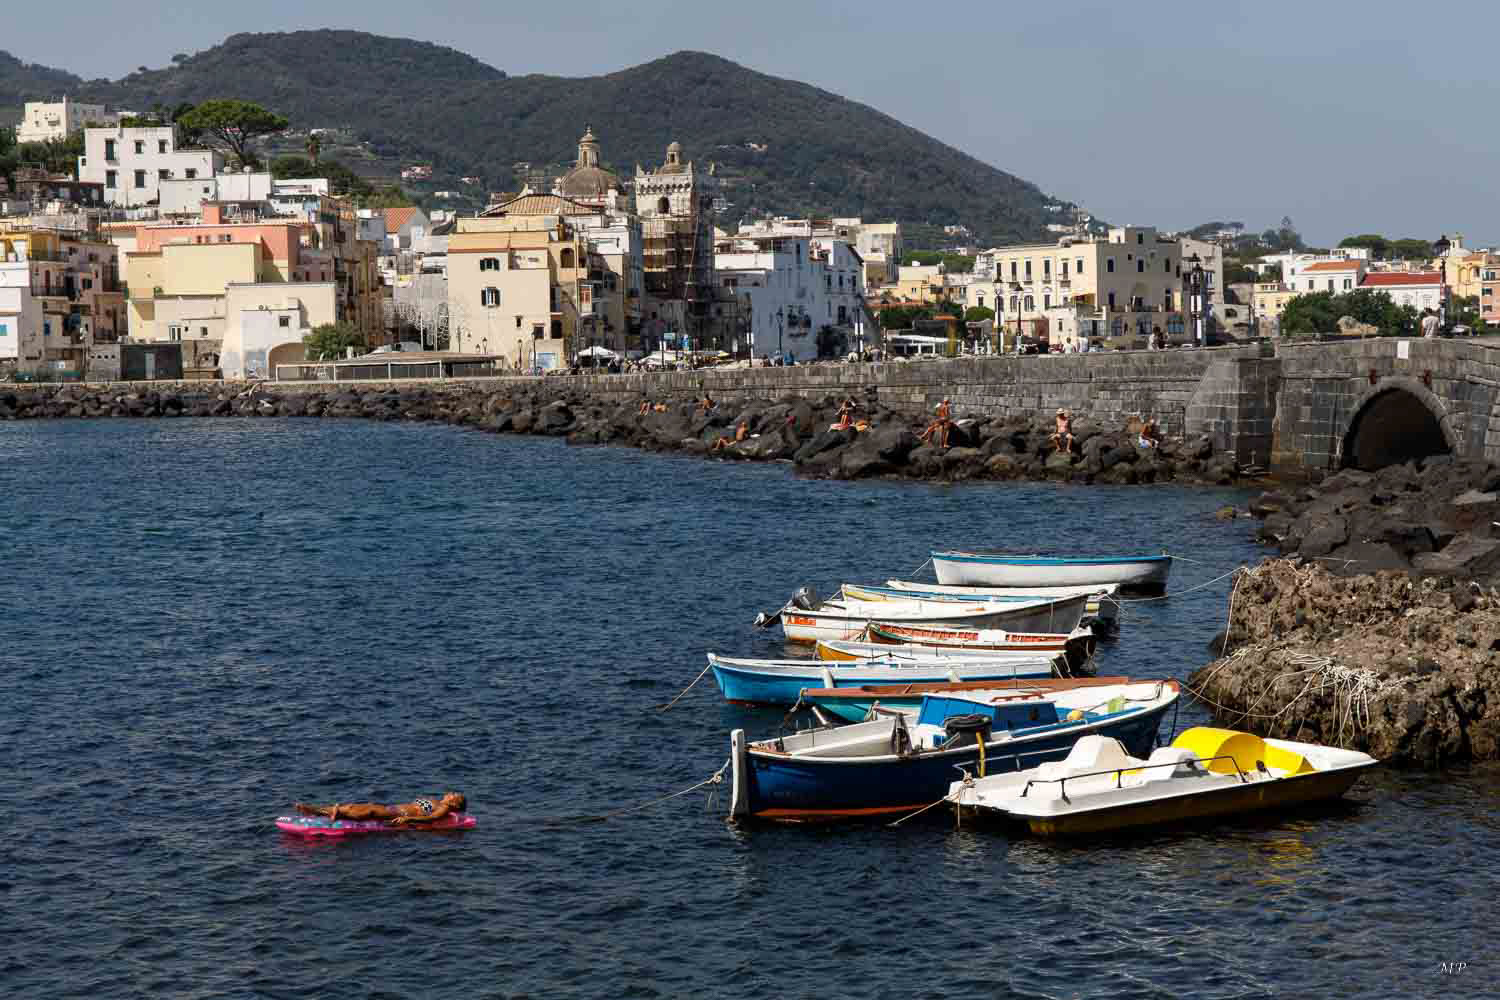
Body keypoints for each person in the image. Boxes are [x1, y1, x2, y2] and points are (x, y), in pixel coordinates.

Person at [296, 792, 467, 825]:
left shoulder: (443, 809)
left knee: (370, 812)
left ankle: (339, 815)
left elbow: (431, 819)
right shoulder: (436, 800)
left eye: (454, 795)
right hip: (395, 807)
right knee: (359, 806)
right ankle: (316, 810)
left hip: (401, 813)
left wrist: (409, 819)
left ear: (455, 804)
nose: (450, 793)